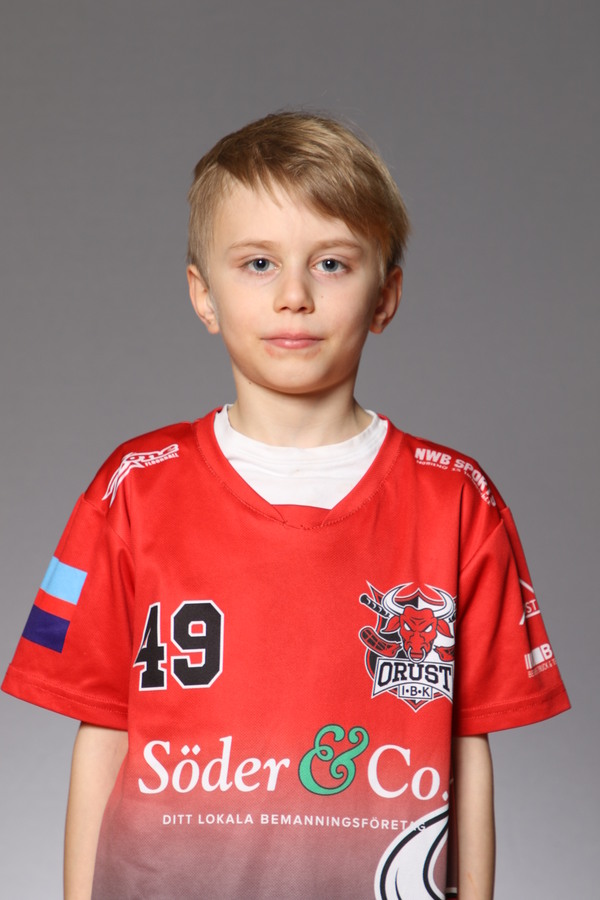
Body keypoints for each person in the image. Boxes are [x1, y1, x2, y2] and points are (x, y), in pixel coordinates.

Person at [2, 111, 569, 900]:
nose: (294, 296)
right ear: (203, 295)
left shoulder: (457, 502)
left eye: (332, 263)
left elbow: (466, 745)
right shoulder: (130, 488)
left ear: (385, 296)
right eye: (259, 263)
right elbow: (101, 729)